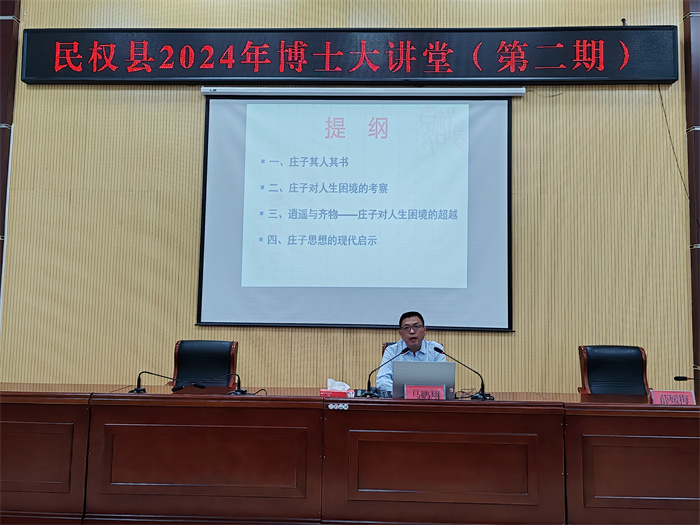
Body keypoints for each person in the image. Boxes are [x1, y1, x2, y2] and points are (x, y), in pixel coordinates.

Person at [376, 311, 445, 393]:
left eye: (416, 326)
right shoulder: (392, 351)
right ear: (400, 333)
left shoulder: (436, 349)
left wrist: (416, 392)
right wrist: (409, 392)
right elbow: (382, 381)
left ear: (424, 330)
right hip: (400, 399)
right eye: (406, 328)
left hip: (429, 398)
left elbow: (444, 381)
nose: (412, 331)